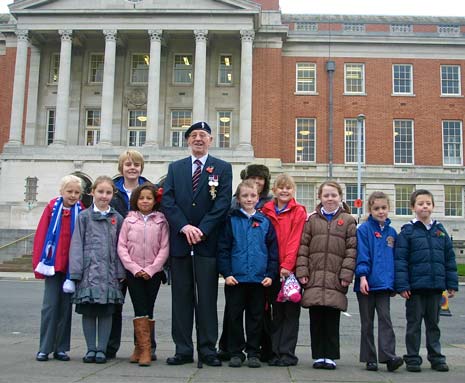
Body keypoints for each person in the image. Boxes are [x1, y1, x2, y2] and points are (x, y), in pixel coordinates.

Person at [161, 121, 232, 367]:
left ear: (211, 140)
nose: (198, 139)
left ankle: (207, 349)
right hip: (181, 244)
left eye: (203, 135)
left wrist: (202, 229)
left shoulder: (222, 168)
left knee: (207, 300)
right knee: (181, 299)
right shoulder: (176, 168)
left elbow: (222, 203)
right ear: (188, 141)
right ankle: (183, 349)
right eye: (194, 135)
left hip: (207, 244)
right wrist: (184, 227)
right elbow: (167, 201)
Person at [395, 189, 458, 373]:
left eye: (428, 203)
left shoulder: (440, 231)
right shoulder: (408, 231)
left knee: (433, 325)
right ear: (413, 207)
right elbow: (401, 260)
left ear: (433, 206)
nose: (424, 207)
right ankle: (413, 358)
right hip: (414, 289)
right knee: (413, 325)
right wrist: (403, 285)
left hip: (435, 287)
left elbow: (449, 259)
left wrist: (451, 283)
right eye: (420, 203)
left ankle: (436, 358)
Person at [296, 180, 357, 370]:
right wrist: (302, 271)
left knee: (332, 318)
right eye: (326, 195)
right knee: (316, 318)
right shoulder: (311, 220)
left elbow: (351, 249)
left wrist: (346, 274)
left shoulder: (348, 220)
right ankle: (318, 355)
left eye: (334, 195)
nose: (330, 199)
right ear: (320, 197)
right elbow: (303, 247)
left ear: (340, 197)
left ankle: (330, 356)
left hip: (335, 276)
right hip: (314, 275)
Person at [217, 179, 278, 368]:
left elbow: (273, 251)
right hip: (236, 278)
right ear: (238, 198)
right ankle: (236, 351)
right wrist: (226, 273)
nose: (249, 199)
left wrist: (270, 273)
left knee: (256, 317)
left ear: (258, 197)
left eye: (252, 195)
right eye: (245, 195)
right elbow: (224, 249)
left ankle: (253, 351)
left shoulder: (265, 222)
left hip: (259, 280)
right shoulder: (231, 220)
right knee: (234, 317)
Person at [69, 176, 125, 364]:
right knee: (89, 312)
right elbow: (76, 244)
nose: (104, 196)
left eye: (108, 192)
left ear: (113, 195)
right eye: (100, 192)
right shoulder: (83, 217)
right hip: (88, 273)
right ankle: (90, 348)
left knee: (106, 312)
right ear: (92, 192)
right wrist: (75, 272)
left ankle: (101, 349)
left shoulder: (117, 218)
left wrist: (120, 272)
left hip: (109, 274)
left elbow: (121, 247)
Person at [33, 175, 85, 362]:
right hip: (53, 264)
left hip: (71, 266)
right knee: (50, 307)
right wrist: (38, 263)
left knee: (65, 308)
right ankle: (44, 347)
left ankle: (61, 348)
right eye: (69, 192)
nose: (72, 195)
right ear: (61, 192)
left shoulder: (82, 211)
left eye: (76, 193)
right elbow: (41, 235)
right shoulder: (51, 208)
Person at [117, 182, 169, 366]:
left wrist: (152, 269)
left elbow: (164, 247)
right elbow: (122, 246)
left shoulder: (161, 220)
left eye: (149, 198)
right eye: (142, 198)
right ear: (135, 200)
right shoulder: (129, 220)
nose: (145, 201)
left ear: (155, 201)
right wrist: (133, 267)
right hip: (134, 272)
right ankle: (142, 348)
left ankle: (143, 348)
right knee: (139, 308)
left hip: (153, 273)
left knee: (149, 307)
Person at [354, 191, 403, 372]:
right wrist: (363, 277)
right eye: (376, 208)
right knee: (367, 322)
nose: (380, 211)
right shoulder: (364, 230)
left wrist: (396, 282)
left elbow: (395, 259)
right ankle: (369, 358)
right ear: (370, 210)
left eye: (383, 208)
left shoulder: (392, 233)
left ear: (389, 209)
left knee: (385, 320)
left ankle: (389, 356)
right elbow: (362, 254)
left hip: (384, 284)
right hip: (366, 284)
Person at [107, 149, 150, 359]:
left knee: (143, 305)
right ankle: (110, 346)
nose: (132, 168)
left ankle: (143, 347)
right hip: (116, 257)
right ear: (121, 168)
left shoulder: (151, 190)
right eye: (128, 164)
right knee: (115, 304)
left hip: (142, 259)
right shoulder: (111, 191)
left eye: (136, 164)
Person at [261, 174, 307, 367]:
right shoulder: (265, 210)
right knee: (276, 313)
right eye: (281, 187)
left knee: (290, 313)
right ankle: (275, 351)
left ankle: (287, 353)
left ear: (293, 190)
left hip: (290, 271)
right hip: (272, 269)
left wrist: (287, 266)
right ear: (274, 191)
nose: (284, 191)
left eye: (288, 188)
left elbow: (295, 240)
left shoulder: (298, 211)